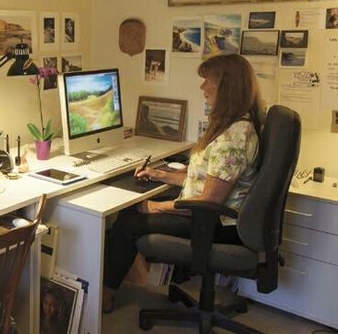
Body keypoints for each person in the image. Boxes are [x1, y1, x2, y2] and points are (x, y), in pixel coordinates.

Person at [102, 53, 263, 313]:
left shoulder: (234, 137)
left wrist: (157, 206)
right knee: (132, 213)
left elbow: (209, 201)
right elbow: (204, 178)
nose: (202, 88)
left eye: (207, 81)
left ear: (226, 87)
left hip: (214, 224)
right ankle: (109, 286)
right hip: (209, 217)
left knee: (128, 222)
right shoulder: (234, 125)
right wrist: (161, 175)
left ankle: (104, 296)